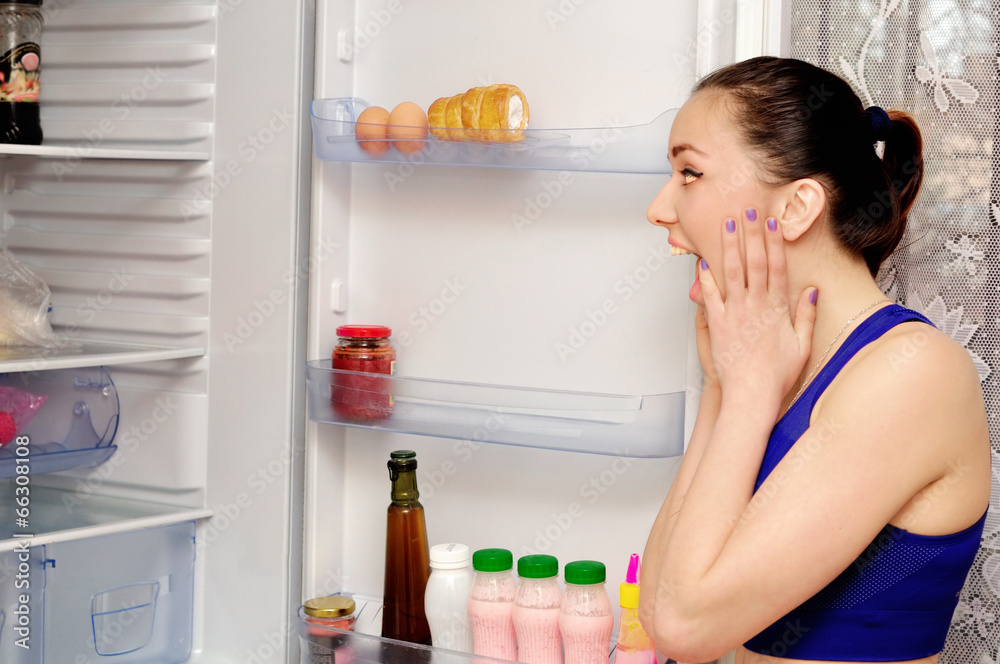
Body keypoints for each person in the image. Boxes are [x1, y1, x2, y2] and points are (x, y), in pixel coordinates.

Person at [639, 56, 990, 664]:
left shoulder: (912, 372)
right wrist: (726, 384)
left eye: (689, 173)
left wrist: (745, 390)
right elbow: (659, 595)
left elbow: (682, 627)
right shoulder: (767, 367)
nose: (659, 209)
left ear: (797, 207)